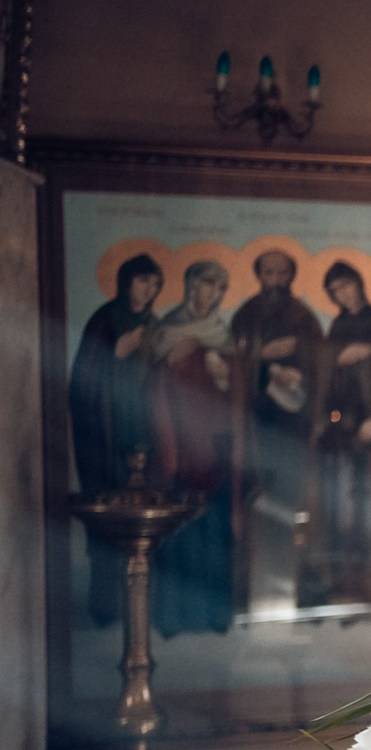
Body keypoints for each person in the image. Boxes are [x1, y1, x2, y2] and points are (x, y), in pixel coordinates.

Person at [305, 260, 371, 607]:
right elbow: (328, 370)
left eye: (346, 286)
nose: (342, 294)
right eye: (335, 291)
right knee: (339, 507)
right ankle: (340, 581)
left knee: (369, 503)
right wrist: (337, 356)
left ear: (359, 285)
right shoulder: (338, 325)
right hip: (341, 429)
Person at [67, 252, 163, 620]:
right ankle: (106, 607)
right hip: (106, 434)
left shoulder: (153, 324)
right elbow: (81, 382)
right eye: (143, 281)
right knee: (107, 522)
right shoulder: (104, 320)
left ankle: (142, 611)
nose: (148, 290)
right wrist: (115, 353)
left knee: (145, 524)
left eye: (155, 285)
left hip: (144, 432)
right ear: (126, 281)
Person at [146, 258, 238, 634]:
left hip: (215, 448)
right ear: (189, 285)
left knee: (214, 538)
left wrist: (224, 375)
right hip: (179, 445)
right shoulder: (168, 330)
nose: (210, 293)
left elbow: (236, 393)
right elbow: (150, 385)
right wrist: (172, 365)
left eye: (218, 287)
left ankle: (214, 616)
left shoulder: (223, 334)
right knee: (180, 538)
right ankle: (175, 616)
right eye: (204, 284)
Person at [229, 249, 323, 599]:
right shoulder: (246, 316)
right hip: (255, 427)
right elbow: (234, 363)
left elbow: (320, 368)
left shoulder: (304, 318)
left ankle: (299, 588)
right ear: (258, 275)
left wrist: (298, 379)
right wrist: (261, 357)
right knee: (254, 502)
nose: (274, 280)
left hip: (293, 429)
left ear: (291, 275)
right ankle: (249, 587)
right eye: (268, 273)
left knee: (294, 503)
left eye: (281, 273)